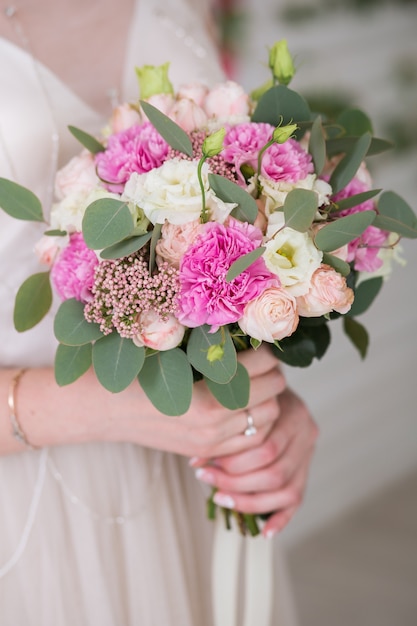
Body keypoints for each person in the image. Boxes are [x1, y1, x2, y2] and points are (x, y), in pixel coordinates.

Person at [0, 1, 317, 624]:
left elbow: (226, 235)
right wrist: (109, 406)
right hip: (29, 513)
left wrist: (263, 411)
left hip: (190, 479)